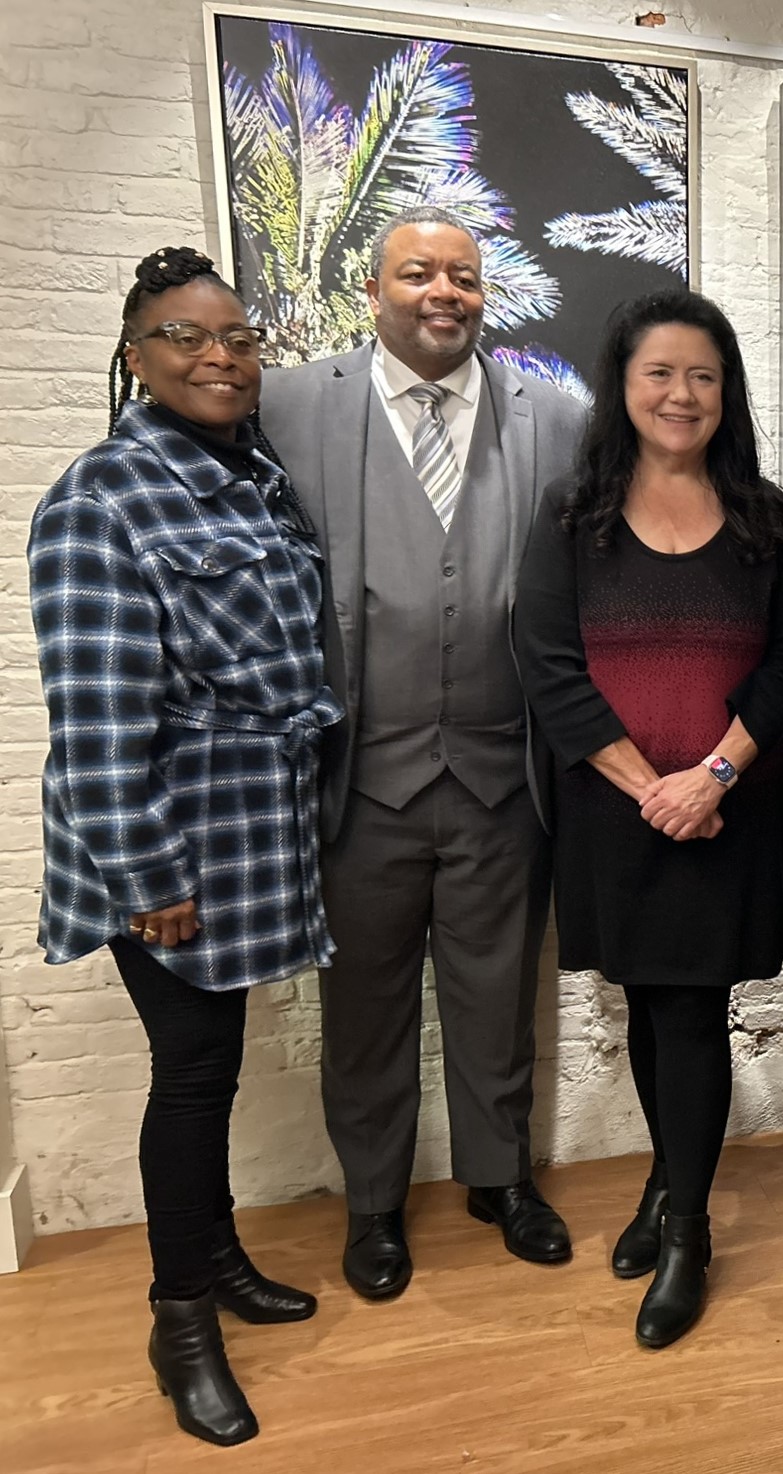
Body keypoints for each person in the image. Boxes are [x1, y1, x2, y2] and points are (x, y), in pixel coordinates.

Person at [28, 247, 343, 1447]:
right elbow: (95, 723)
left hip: (248, 832)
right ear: (134, 355)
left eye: (238, 337)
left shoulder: (254, 477)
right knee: (195, 1073)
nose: (220, 356)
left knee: (210, 1062)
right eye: (185, 336)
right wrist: (146, 876)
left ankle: (217, 1261)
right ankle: (181, 1321)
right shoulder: (99, 501)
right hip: (164, 848)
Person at [257, 207, 587, 1299]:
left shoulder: (556, 418)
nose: (442, 291)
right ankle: (372, 1204)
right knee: (364, 1010)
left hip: (503, 778)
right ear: (373, 289)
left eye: (463, 275)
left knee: (500, 999)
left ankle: (502, 1180)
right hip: (360, 782)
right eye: (417, 273)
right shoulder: (290, 405)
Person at [514, 290, 783, 1348]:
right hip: (618, 811)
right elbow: (548, 666)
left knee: (689, 1010)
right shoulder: (573, 515)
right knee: (649, 1003)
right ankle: (665, 1185)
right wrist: (655, 786)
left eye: (703, 375)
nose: (681, 394)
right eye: (660, 373)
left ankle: (687, 1231)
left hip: (728, 810)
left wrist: (711, 777)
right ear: (624, 385)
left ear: (726, 392)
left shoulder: (765, 519)